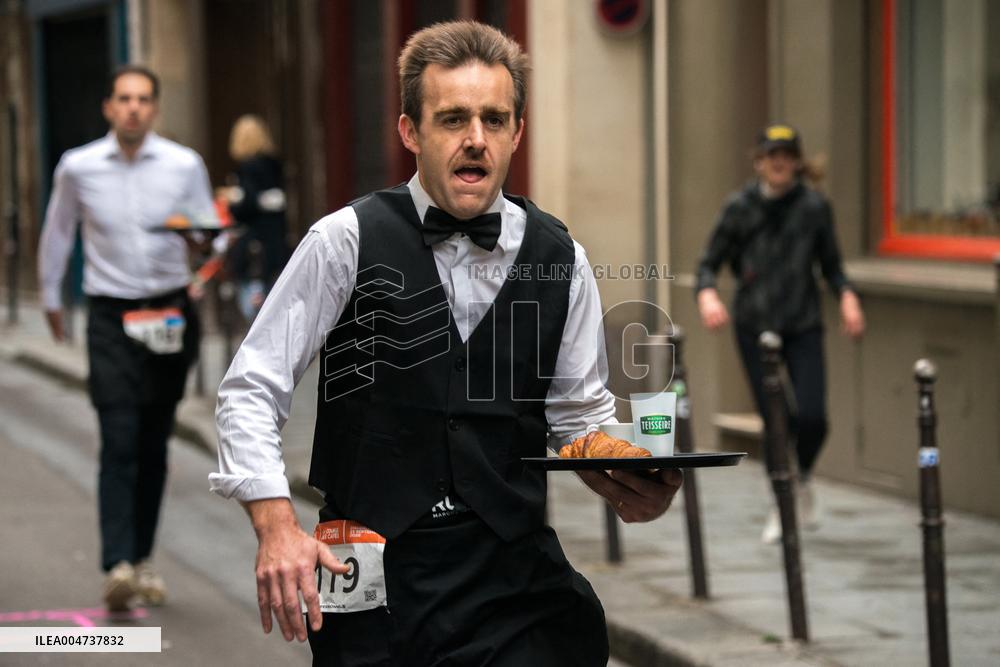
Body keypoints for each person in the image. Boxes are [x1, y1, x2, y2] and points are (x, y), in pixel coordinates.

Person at [211, 20, 682, 666]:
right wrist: (276, 526)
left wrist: (630, 478)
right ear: (411, 131)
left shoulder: (559, 256)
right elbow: (250, 387)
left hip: (512, 585)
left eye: (494, 119)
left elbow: (578, 418)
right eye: (453, 119)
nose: (475, 140)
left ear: (518, 130)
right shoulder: (345, 241)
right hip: (371, 579)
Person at [38, 64, 214, 610]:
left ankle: (141, 559)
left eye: (143, 99)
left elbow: (208, 232)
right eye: (123, 99)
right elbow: (59, 230)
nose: (133, 107)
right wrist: (49, 297)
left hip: (169, 314)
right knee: (119, 437)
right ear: (109, 108)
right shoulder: (79, 167)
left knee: (154, 442)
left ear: (154, 108)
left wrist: (203, 255)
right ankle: (116, 563)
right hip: (112, 317)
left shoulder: (185, 165)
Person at [694, 124, 865, 544]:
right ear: (759, 162)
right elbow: (707, 264)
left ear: (797, 163)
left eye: (787, 155)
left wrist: (847, 297)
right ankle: (782, 504)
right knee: (777, 420)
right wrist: (708, 295)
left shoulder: (814, 208)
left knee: (812, 418)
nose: (779, 162)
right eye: (772, 155)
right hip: (756, 327)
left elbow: (833, 266)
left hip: (802, 322)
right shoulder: (739, 207)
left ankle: (801, 477)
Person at [222, 114, 289, 321]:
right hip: (275, 244)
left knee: (254, 309)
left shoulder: (248, 168)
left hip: (253, 247)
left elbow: (247, 206)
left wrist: (233, 200)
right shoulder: (274, 165)